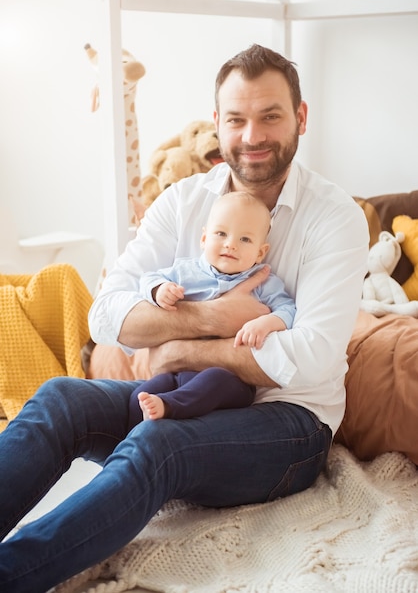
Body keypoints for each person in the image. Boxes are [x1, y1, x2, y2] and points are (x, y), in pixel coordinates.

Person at [0, 43, 369, 593]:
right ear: (217, 122)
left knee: (157, 445)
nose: (252, 136)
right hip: (178, 392)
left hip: (289, 428)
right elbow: (108, 314)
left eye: (271, 116)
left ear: (300, 117)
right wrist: (212, 318)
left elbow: (310, 359)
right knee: (60, 398)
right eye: (237, 119)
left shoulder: (335, 217)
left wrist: (176, 349)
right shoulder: (182, 202)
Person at [128, 190, 296, 426]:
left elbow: (288, 310)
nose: (231, 244)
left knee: (214, 381)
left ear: (260, 252)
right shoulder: (186, 272)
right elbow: (147, 279)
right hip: (179, 373)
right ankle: (142, 429)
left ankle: (170, 406)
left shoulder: (263, 282)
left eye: (245, 239)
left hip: (230, 379)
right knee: (139, 396)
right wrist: (160, 289)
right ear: (204, 239)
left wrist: (267, 322)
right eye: (221, 233)